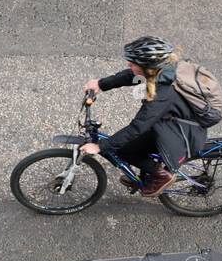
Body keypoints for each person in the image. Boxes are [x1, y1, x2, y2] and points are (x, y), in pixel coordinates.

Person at [80, 36, 207, 198]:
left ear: (148, 68)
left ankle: (161, 175)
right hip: (172, 118)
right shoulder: (162, 70)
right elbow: (132, 75)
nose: (129, 65)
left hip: (180, 130)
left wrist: (101, 146)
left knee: (122, 149)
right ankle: (146, 173)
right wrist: (101, 84)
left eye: (133, 63)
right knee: (132, 143)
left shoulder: (163, 94)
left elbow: (138, 126)